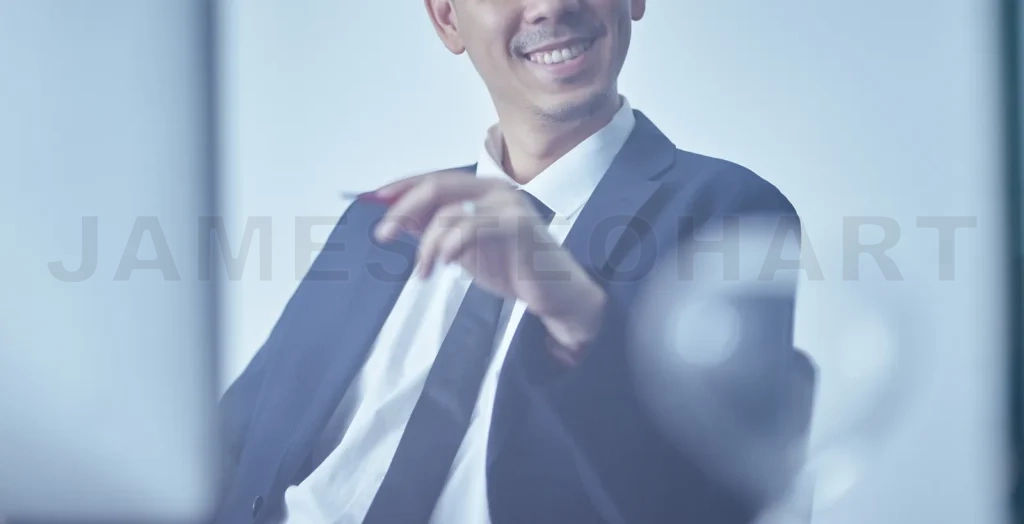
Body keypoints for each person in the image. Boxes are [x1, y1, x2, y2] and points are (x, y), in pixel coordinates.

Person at [215, 1, 815, 523]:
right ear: (448, 18)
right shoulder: (382, 220)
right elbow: (232, 447)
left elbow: (712, 506)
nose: (550, 5)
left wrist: (575, 311)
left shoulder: (731, 213)